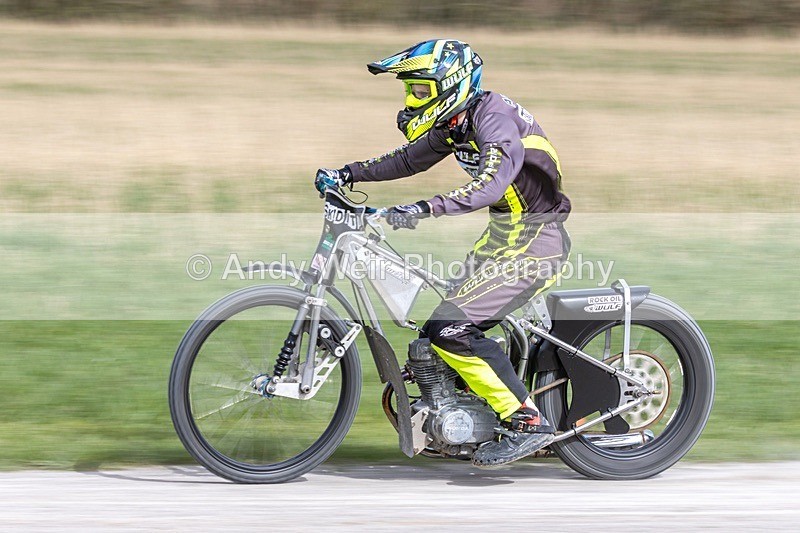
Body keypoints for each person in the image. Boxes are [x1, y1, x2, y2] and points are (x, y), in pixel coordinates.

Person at [314, 39, 571, 467]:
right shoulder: (458, 120)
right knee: (435, 334)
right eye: (408, 91)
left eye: (418, 91)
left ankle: (527, 420)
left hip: (534, 244)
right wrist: (347, 173)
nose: (410, 100)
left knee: (451, 331)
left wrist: (424, 207)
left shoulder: (494, 120)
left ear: (448, 85)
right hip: (503, 239)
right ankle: (464, 418)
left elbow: (490, 185)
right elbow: (408, 160)